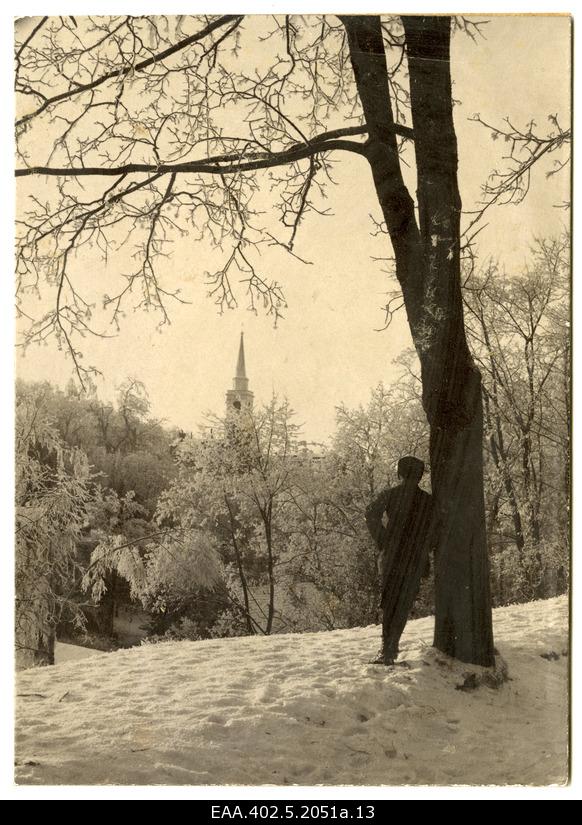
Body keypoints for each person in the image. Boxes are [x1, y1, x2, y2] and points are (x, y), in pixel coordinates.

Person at [365, 456, 435, 665]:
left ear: (399, 473)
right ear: (420, 475)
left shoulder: (391, 495)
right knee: (403, 603)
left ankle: (388, 649)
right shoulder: (428, 500)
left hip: (393, 555)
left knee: (390, 602)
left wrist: (383, 538)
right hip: (415, 558)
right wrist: (425, 546)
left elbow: (370, 514)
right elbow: (436, 528)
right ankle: (391, 647)